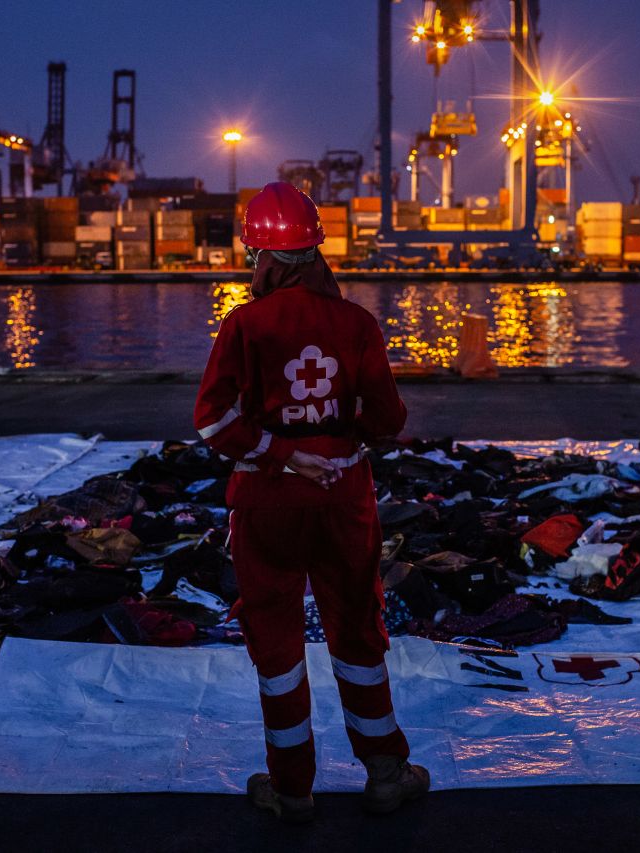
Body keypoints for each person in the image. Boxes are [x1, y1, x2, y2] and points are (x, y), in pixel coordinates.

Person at [193, 182, 429, 823]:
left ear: (262, 256)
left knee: (276, 640)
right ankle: (385, 772)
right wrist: (343, 419)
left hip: (268, 502)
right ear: (316, 250)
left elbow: (211, 423)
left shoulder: (244, 325)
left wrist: (278, 450)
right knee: (356, 628)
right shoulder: (357, 324)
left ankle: (292, 789)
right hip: (344, 498)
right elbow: (387, 419)